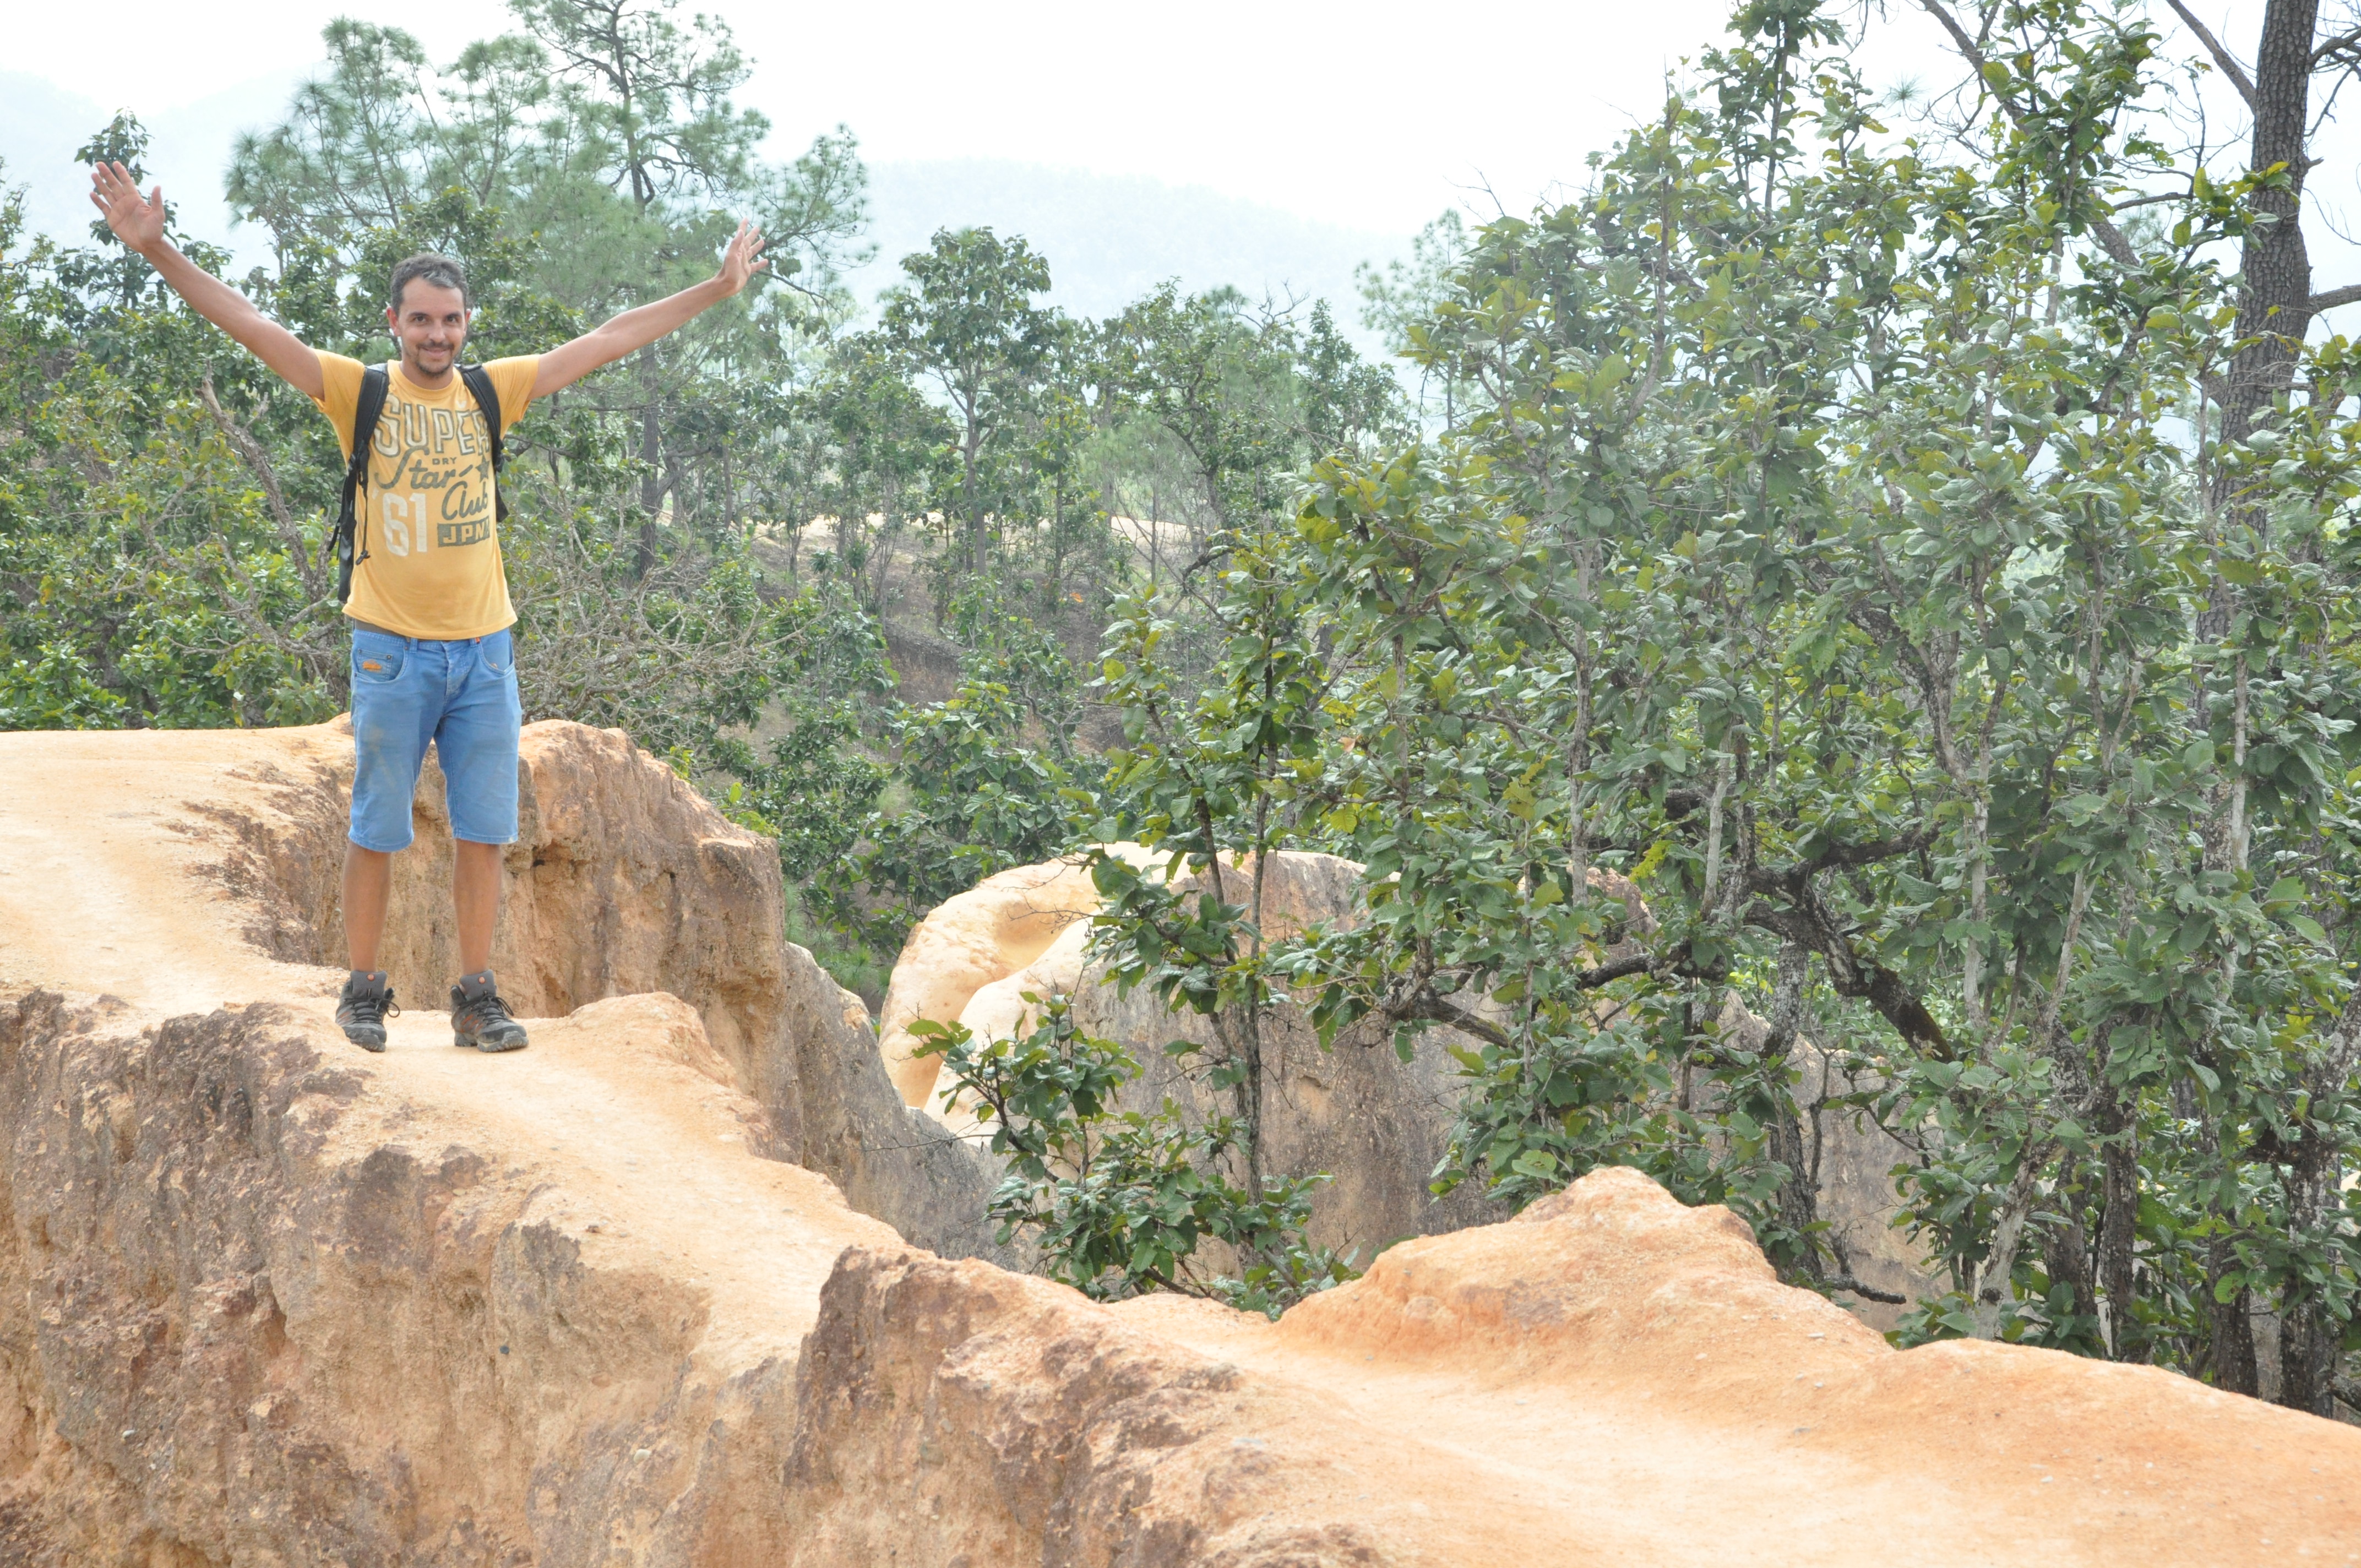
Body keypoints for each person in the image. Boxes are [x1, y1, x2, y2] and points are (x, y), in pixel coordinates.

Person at [87, 159, 769, 1054]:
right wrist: (159, 252)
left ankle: (476, 995)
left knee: (484, 833)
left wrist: (716, 290)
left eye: (450, 321)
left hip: (484, 653)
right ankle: (363, 991)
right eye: (421, 320)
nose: (437, 335)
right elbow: (252, 324)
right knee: (378, 826)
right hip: (392, 651)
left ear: (467, 324)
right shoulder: (358, 391)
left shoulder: (494, 392)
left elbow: (607, 338)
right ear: (394, 322)